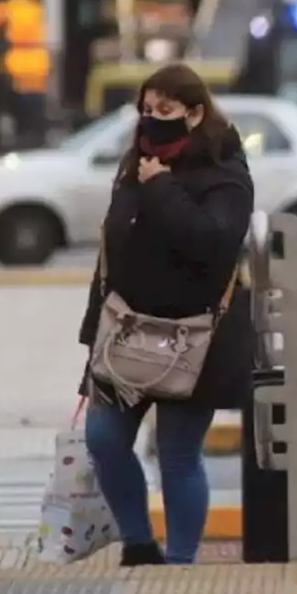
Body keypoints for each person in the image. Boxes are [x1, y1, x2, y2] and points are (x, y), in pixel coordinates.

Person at [78, 63, 256, 566]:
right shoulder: (134, 166)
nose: (152, 121)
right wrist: (93, 335)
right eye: (146, 110)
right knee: (103, 439)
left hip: (193, 338)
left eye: (165, 110)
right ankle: (138, 544)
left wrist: (161, 191)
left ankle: (181, 562)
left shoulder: (225, 174)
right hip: (126, 333)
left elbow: (214, 244)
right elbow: (110, 255)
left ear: (195, 114)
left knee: (178, 455)